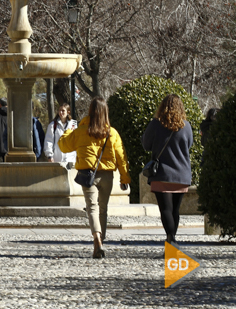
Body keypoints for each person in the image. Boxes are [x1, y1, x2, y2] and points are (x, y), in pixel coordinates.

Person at [59, 97, 131, 259]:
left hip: (87, 174)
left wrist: (68, 130)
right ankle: (101, 242)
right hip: (107, 175)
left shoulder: (80, 131)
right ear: (105, 112)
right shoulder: (112, 133)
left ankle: (96, 238)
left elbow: (63, 146)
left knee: (91, 207)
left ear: (90, 111)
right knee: (103, 209)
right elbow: (121, 157)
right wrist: (125, 179)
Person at [142, 94, 193, 245]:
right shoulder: (187, 126)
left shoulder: (156, 124)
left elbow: (146, 145)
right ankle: (172, 240)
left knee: (165, 209)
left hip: (162, 173)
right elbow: (189, 146)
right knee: (175, 210)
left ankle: (171, 237)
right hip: (182, 174)